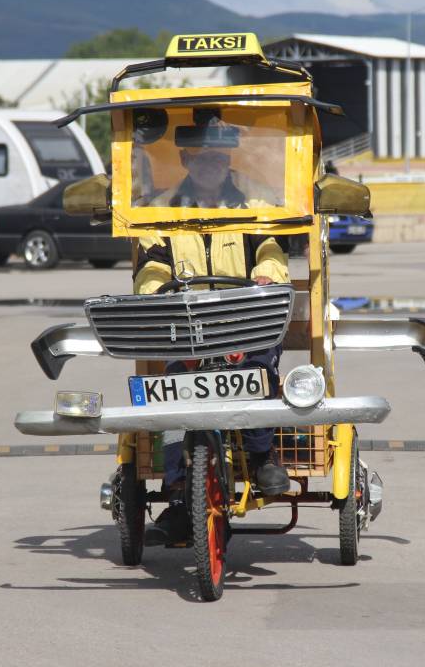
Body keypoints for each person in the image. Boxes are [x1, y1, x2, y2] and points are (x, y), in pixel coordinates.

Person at [137, 140, 292, 547]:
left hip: (246, 318)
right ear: (187, 159)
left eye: (219, 157)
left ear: (229, 160)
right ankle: (177, 494)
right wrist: (157, 292)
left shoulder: (254, 200)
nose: (212, 164)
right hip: (188, 327)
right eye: (203, 156)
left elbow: (272, 247)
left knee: (257, 370)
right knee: (171, 395)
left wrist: (266, 276)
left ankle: (261, 458)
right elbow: (151, 263)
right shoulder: (163, 206)